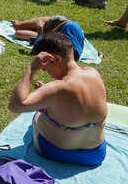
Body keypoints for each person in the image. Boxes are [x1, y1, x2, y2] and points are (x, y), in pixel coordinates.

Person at [7, 33, 108, 167]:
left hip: (55, 152)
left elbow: (15, 105)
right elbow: (76, 100)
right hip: (96, 154)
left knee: (38, 116)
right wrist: (49, 95)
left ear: (54, 60)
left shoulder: (57, 88)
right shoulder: (93, 72)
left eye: (44, 67)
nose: (44, 71)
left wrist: (31, 69)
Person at [10, 15, 88, 62]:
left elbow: (37, 49)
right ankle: (20, 23)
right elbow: (38, 48)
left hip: (57, 34)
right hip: (60, 23)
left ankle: (38, 31)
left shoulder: (70, 54)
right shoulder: (69, 52)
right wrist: (40, 28)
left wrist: (40, 29)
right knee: (17, 26)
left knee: (18, 34)